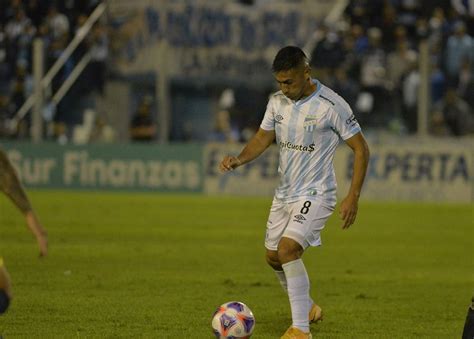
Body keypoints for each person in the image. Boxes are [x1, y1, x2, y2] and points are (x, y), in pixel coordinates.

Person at [219, 46, 370, 339]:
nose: (283, 88)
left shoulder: (331, 105)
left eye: (289, 82)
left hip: (317, 193)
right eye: (279, 82)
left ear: (306, 73)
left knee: (288, 250)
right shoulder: (277, 102)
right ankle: (309, 308)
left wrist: (353, 196)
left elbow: (361, 148)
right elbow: (264, 137)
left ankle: (301, 330)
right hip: (285, 193)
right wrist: (239, 158)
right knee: (273, 257)